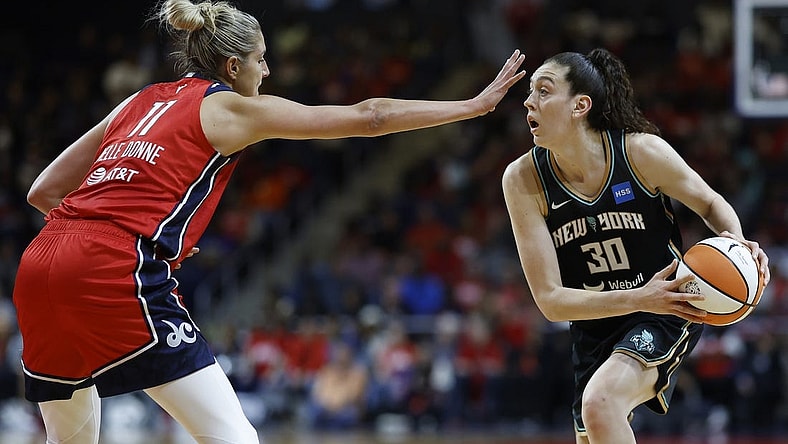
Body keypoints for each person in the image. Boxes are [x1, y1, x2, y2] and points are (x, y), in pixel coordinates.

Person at [11, 0, 526, 442]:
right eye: (261, 60)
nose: (268, 72)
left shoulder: (137, 100)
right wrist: (471, 106)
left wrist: (111, 231)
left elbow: (43, 191)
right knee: (235, 438)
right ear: (233, 66)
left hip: (40, 263)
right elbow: (369, 116)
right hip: (112, 266)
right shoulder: (230, 108)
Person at [501, 48, 770, 444]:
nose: (528, 101)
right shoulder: (523, 179)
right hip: (595, 324)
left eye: (543, 90)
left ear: (580, 106)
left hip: (665, 307)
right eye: (530, 92)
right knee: (596, 422)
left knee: (601, 403)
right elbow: (551, 301)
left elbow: (710, 203)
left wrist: (738, 242)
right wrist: (636, 297)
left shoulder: (640, 152)